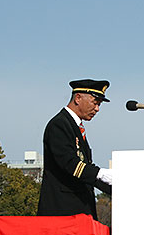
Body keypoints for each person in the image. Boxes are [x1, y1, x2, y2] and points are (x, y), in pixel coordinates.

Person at [37, 79, 112, 221]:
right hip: (62, 212)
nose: (97, 109)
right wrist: (101, 173)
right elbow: (70, 163)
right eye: (95, 103)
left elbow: (87, 174)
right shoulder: (59, 124)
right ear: (78, 98)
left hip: (79, 213)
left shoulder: (75, 127)